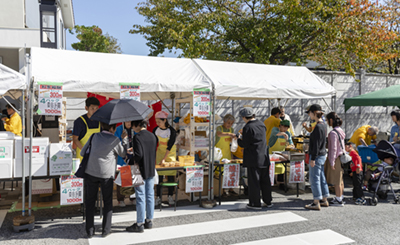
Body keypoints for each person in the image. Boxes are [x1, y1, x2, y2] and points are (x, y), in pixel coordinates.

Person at [82, 122, 128, 238]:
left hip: (91, 172)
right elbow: (123, 154)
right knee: (107, 202)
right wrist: (124, 140)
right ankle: (105, 230)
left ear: (102, 126)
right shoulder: (115, 140)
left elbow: (83, 152)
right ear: (112, 128)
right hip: (106, 175)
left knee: (90, 202)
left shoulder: (94, 136)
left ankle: (90, 231)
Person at [237, 107, 272, 210]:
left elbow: (245, 144)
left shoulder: (248, 127)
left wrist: (238, 138)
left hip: (253, 158)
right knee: (265, 180)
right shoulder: (261, 124)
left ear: (244, 117)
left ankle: (255, 203)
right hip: (264, 156)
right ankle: (268, 201)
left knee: (254, 181)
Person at [126, 119, 158, 233]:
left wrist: (129, 159)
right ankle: (149, 221)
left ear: (138, 125)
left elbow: (138, 155)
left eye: (133, 126)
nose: (132, 128)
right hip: (150, 168)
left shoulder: (137, 137)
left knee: (140, 196)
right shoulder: (153, 136)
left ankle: (139, 223)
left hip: (137, 169)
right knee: (150, 194)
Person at [304, 104, 329, 211]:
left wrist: (313, 158)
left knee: (314, 179)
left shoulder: (318, 126)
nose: (309, 115)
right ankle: (324, 199)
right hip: (322, 154)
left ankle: (316, 202)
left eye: (309, 113)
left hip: (317, 156)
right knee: (321, 178)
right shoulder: (323, 125)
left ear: (314, 113)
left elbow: (317, 144)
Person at [152, 111, 177, 206]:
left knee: (170, 175)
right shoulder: (155, 130)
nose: (157, 123)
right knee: (159, 176)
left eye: (159, 121)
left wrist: (164, 158)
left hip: (170, 153)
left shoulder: (172, 131)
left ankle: (170, 196)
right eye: (156, 121)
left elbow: (170, 145)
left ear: (165, 120)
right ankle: (158, 197)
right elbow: (153, 142)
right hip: (160, 152)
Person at [325, 112, 345, 207]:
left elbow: (333, 149)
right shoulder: (340, 130)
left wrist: (331, 162)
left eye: (327, 119)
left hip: (336, 158)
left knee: (337, 180)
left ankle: (338, 200)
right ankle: (340, 197)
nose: (327, 121)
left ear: (331, 120)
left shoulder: (333, 133)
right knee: (340, 179)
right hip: (341, 157)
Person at [215, 114, 237, 196]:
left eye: (231, 123)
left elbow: (231, 142)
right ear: (224, 121)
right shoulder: (219, 128)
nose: (230, 125)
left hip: (227, 153)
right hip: (219, 154)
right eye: (228, 123)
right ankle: (222, 190)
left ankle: (231, 189)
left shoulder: (231, 129)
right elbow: (219, 134)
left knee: (229, 172)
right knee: (219, 172)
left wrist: (234, 139)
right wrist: (230, 134)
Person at [115, 121, 135, 207]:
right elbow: (115, 143)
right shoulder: (119, 129)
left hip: (133, 157)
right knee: (122, 178)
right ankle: (120, 199)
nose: (129, 123)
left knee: (133, 178)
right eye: (127, 121)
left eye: (131, 121)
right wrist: (122, 138)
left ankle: (133, 197)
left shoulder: (135, 129)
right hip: (122, 157)